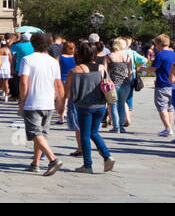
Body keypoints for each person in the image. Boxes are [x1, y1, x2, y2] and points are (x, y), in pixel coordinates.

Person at [65, 39, 115, 173]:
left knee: (85, 135)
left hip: (85, 106)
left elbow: (68, 92)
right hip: (100, 106)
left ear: (80, 54)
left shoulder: (75, 70)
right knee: (94, 132)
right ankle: (107, 156)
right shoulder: (101, 68)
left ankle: (87, 165)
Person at [17, 32, 62, 175]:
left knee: (35, 132)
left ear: (32, 43)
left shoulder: (27, 59)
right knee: (41, 133)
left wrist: (22, 100)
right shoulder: (53, 61)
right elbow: (58, 83)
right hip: (48, 102)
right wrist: (60, 101)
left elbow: (23, 81)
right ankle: (35, 163)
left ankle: (52, 159)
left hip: (33, 101)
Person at [151, 34, 175, 137]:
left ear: (159, 44)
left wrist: (141, 69)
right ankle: (169, 127)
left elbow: (153, 68)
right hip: (173, 84)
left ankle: (168, 128)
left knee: (162, 106)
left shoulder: (160, 55)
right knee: (170, 107)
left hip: (162, 84)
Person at [106, 38, 135, 133]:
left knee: (113, 105)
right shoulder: (127, 57)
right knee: (121, 105)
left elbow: (105, 72)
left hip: (113, 84)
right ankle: (121, 126)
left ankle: (116, 127)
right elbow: (130, 72)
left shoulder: (109, 57)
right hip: (125, 84)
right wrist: (127, 78)